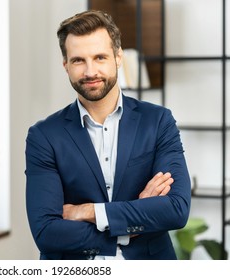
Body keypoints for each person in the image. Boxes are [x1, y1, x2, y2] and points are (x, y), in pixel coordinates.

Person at [25, 10, 191, 260]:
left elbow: (176, 210)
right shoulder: (43, 136)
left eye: (100, 57)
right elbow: (46, 232)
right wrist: (129, 225)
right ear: (65, 65)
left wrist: (89, 211)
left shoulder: (157, 121)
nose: (90, 71)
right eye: (78, 60)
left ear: (118, 57)